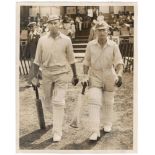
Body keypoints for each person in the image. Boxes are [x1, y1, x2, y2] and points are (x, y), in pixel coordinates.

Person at [30, 15, 79, 142]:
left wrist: (75, 75)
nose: (53, 25)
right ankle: (59, 115)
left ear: (60, 24)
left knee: (58, 102)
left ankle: (57, 131)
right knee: (47, 103)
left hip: (62, 73)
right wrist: (34, 77)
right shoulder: (42, 40)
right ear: (47, 25)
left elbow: (72, 59)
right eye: (51, 23)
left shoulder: (66, 40)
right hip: (46, 74)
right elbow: (36, 61)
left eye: (56, 23)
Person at [82, 21, 124, 141]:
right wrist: (85, 75)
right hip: (95, 74)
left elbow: (119, 62)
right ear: (95, 32)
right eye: (99, 30)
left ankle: (107, 123)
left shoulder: (113, 45)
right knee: (94, 100)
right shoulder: (90, 45)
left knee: (108, 102)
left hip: (109, 74)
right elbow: (86, 62)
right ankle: (94, 131)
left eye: (104, 30)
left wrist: (119, 75)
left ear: (108, 31)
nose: (101, 32)